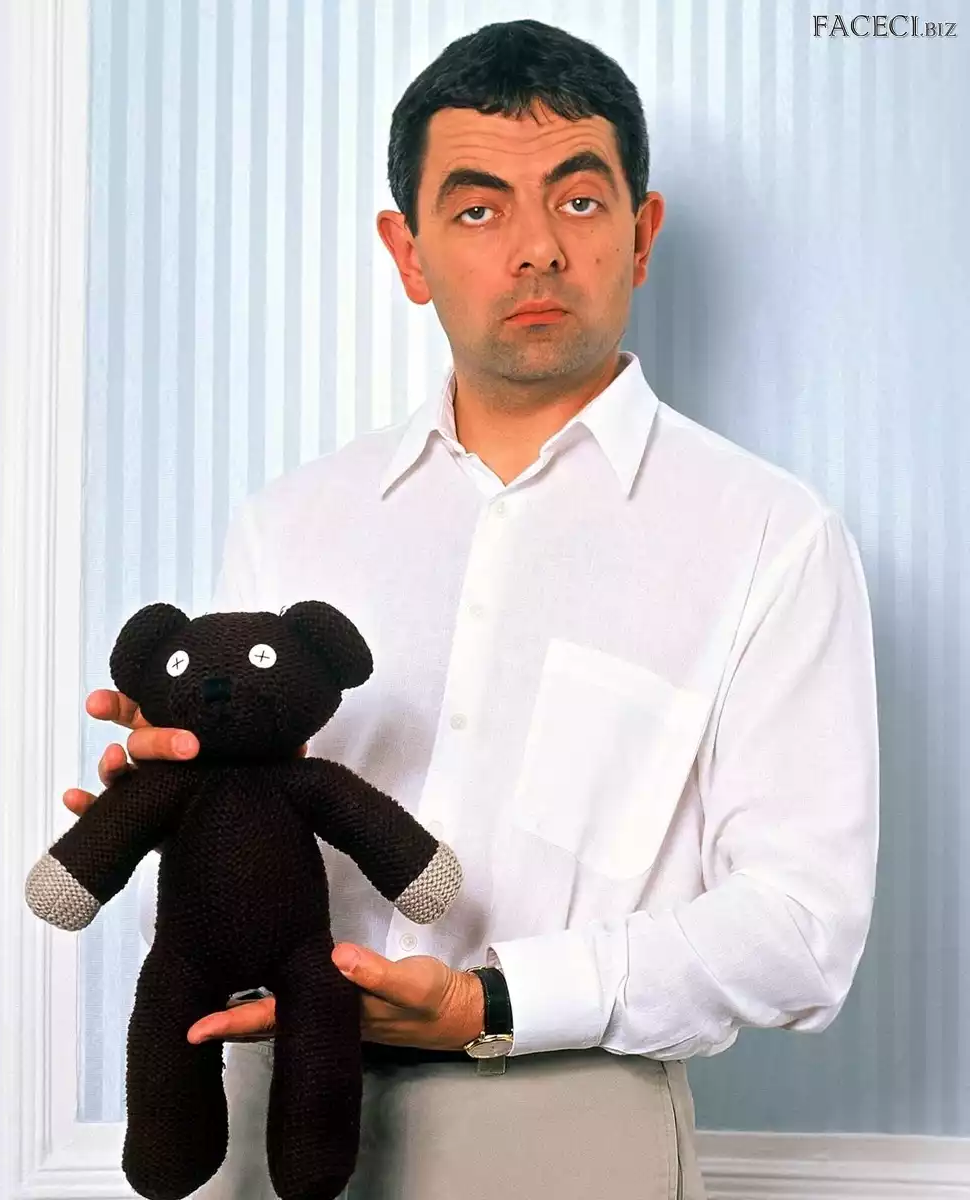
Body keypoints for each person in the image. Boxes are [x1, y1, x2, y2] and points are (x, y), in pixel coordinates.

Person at [61, 19, 879, 1200]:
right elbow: (242, 837)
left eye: (580, 202)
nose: (537, 249)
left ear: (642, 234)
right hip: (268, 1107)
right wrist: (172, 798)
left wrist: (495, 999)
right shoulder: (291, 521)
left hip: (565, 1118)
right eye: (480, 208)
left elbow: (803, 929)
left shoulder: (771, 536)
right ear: (409, 252)